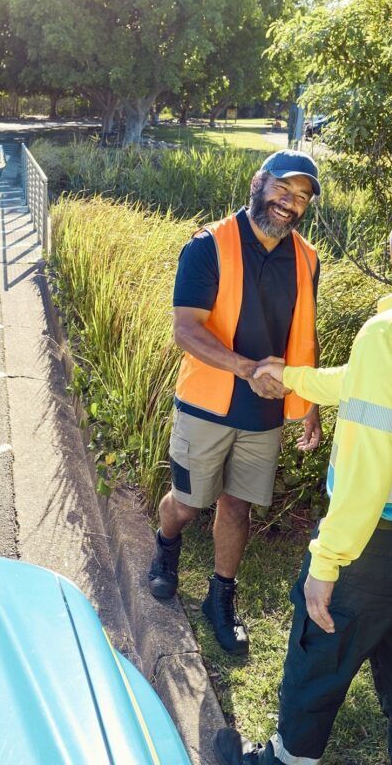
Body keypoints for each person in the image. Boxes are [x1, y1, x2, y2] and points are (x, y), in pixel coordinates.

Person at [214, 175, 392, 765]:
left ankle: (279, 761)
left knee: (319, 656)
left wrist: (326, 561)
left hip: (377, 544)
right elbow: (368, 385)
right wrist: (289, 375)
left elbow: (368, 471)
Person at [147, 150, 324, 655]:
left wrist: (308, 400)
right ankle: (166, 549)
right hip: (207, 404)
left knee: (237, 506)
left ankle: (220, 597)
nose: (290, 204)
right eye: (283, 190)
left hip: (264, 412)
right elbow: (186, 330)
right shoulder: (209, 245)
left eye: (302, 197)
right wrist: (247, 369)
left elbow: (302, 337)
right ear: (258, 182)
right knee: (187, 502)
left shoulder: (307, 259)